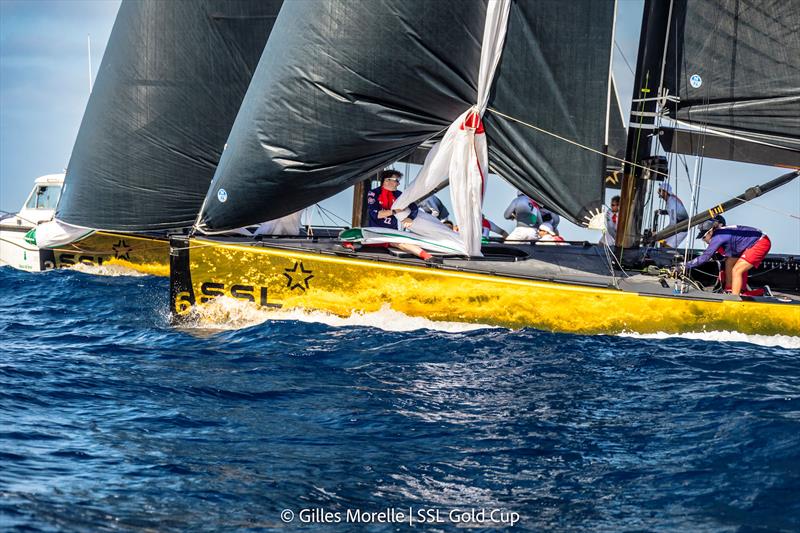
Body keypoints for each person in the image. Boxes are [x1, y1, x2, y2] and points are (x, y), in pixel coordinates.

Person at [683, 217, 771, 296]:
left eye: (703, 237)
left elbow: (705, 257)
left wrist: (684, 266)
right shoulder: (719, 234)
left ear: (710, 232)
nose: (703, 240)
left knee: (737, 270)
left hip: (760, 242)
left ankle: (734, 300)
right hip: (753, 241)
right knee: (729, 262)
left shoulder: (718, 237)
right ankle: (729, 289)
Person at [366, 170, 438, 262]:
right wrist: (396, 211)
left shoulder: (399, 195)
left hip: (391, 233)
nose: (398, 184)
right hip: (375, 233)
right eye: (396, 180)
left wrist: (410, 218)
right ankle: (347, 247)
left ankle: (429, 257)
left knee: (401, 242)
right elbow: (376, 214)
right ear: (387, 180)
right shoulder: (374, 193)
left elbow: (414, 208)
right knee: (358, 234)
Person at [657, 183, 689, 248]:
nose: (658, 192)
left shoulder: (671, 203)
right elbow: (673, 212)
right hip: (677, 226)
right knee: (661, 240)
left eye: (660, 190)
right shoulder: (671, 199)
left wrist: (661, 233)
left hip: (681, 230)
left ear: (665, 192)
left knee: (666, 247)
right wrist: (662, 212)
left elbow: (673, 223)